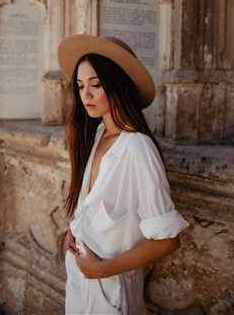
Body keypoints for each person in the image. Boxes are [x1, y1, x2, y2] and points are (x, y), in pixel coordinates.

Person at [58, 35, 189, 315]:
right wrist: (74, 228)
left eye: (96, 85)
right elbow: (96, 202)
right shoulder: (98, 134)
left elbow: (168, 240)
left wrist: (102, 269)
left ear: (117, 84)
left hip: (111, 290)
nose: (86, 95)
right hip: (80, 280)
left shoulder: (137, 148)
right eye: (80, 86)